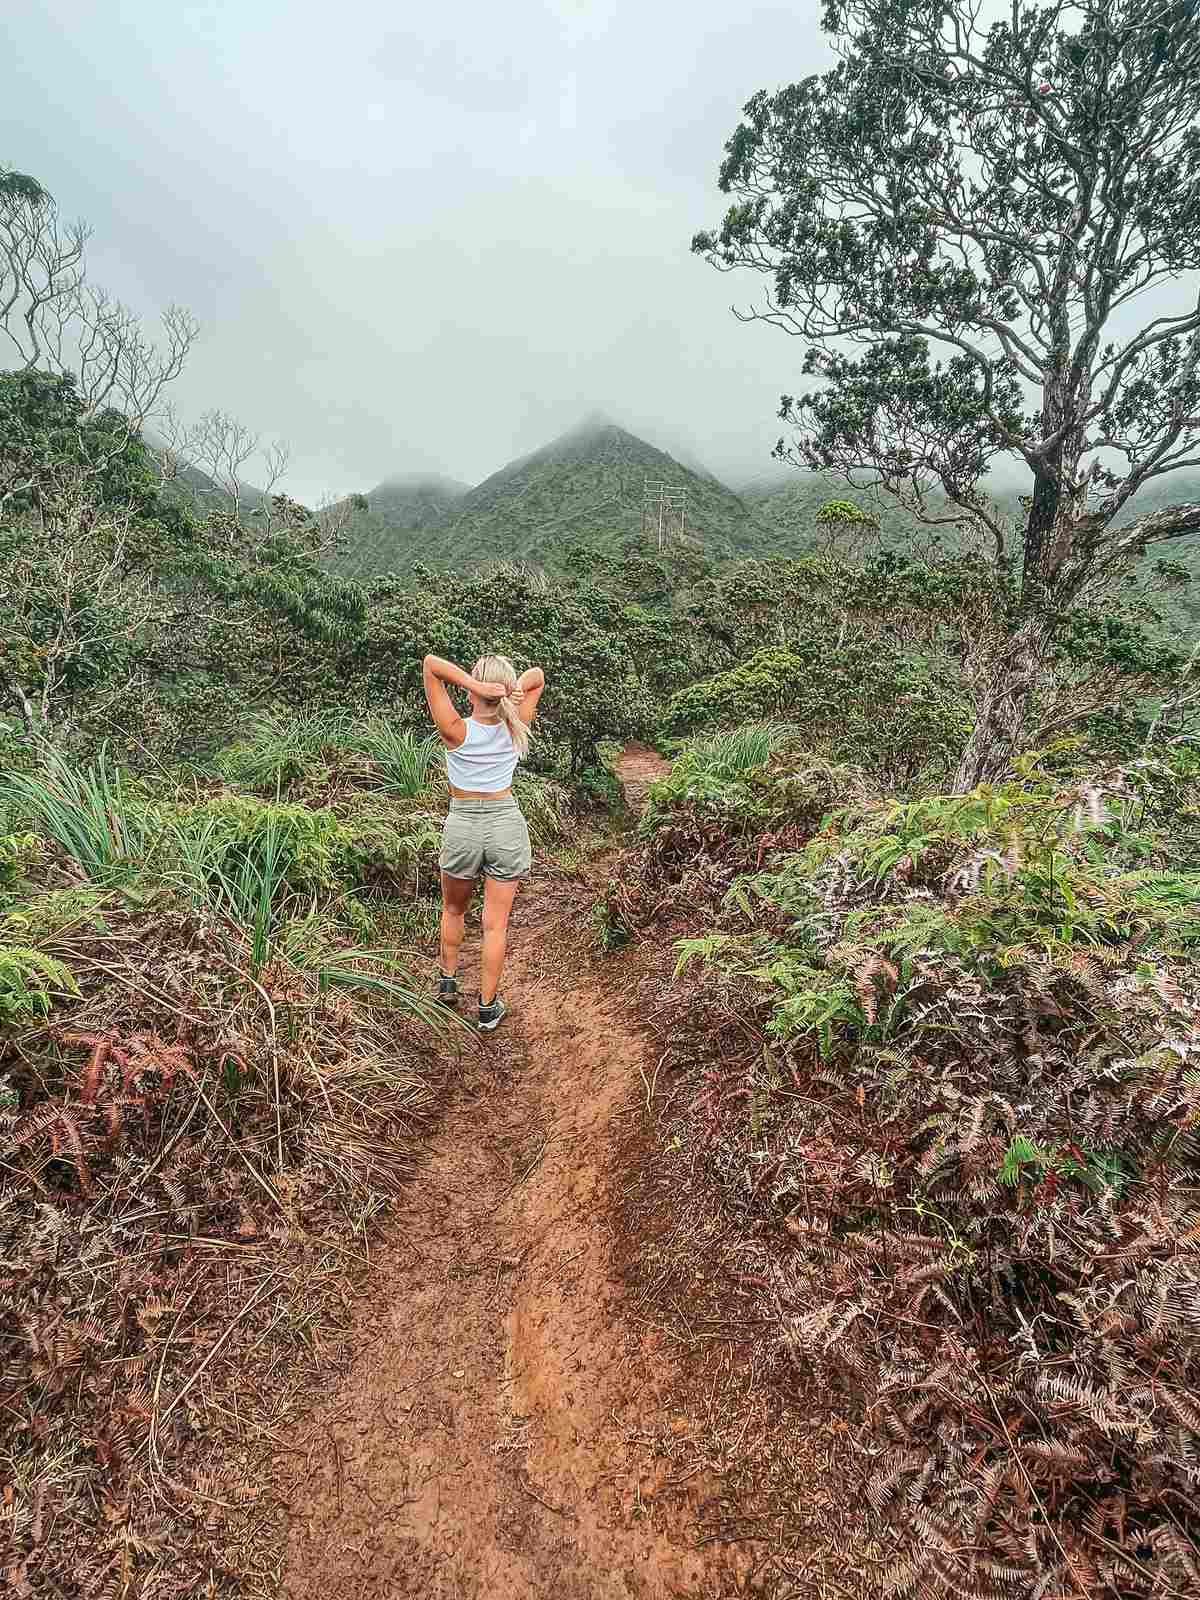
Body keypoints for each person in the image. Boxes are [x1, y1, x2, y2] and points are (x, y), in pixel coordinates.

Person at [421, 652, 545, 1030]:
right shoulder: (516, 726)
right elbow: (538, 676)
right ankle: (488, 1008)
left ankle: (447, 981)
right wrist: (515, 691)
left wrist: (474, 685)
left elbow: (431, 664)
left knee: (454, 909)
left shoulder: (455, 730)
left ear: (475, 690)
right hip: (505, 823)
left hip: (463, 825)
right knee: (495, 925)